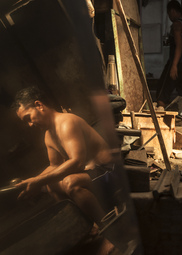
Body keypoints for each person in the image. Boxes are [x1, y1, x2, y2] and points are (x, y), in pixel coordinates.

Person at [12, 86, 116, 254]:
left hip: (108, 172)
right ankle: (87, 228)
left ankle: (110, 233)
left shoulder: (67, 122)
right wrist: (31, 183)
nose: (30, 124)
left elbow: (77, 162)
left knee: (70, 183)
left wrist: (38, 181)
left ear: (39, 105)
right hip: (92, 174)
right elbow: (54, 166)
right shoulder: (48, 135)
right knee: (51, 185)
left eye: (28, 118)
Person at [157, 0, 182, 107]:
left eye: (168, 13)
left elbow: (179, 46)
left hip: (178, 63)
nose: (169, 16)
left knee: (162, 93)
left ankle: (160, 115)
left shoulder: (177, 25)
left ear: (172, 11)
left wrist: (174, 65)